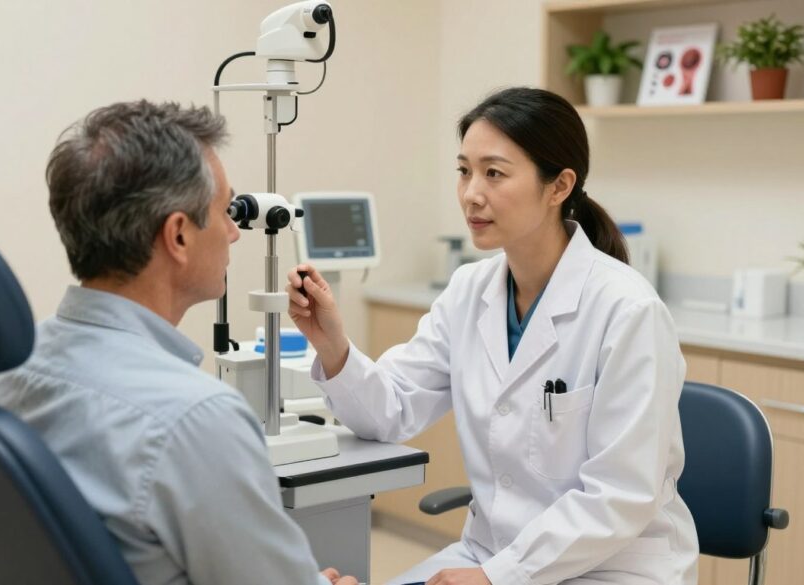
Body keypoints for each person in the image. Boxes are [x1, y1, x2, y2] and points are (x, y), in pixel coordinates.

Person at [287, 87, 698, 585]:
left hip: (610, 568)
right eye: (464, 171)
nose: (471, 193)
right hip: (490, 554)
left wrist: (497, 577)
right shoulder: (470, 291)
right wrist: (331, 344)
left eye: (494, 173)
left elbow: (620, 495)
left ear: (559, 186)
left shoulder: (628, 311)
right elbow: (389, 411)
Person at [0, 100, 356, 585]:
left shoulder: (13, 370)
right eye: (225, 211)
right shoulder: (196, 419)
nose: (233, 234)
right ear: (178, 235)